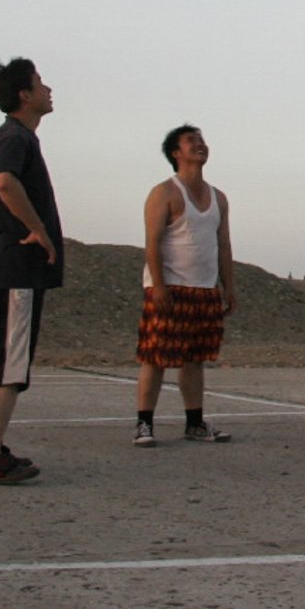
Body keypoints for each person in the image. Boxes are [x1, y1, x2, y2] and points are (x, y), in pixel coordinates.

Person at [0, 57, 62, 485]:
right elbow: (5, 182)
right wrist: (38, 229)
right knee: (9, 365)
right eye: (40, 83)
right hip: (16, 269)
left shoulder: (11, 136)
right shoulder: (15, 136)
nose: (48, 88)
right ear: (24, 95)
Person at [134, 123, 235, 447]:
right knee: (156, 358)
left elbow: (224, 245)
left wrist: (228, 287)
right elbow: (152, 241)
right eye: (192, 141)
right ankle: (144, 424)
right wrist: (159, 285)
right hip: (169, 289)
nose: (200, 145)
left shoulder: (219, 198)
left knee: (195, 358)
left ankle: (195, 423)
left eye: (202, 140)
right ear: (176, 152)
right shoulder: (163, 192)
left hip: (204, 290)